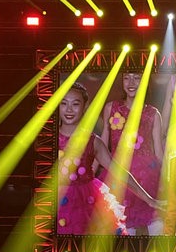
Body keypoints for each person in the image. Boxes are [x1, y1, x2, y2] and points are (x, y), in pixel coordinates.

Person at [58, 83, 158, 235]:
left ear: (85, 106)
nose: (69, 109)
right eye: (64, 103)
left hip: (88, 203)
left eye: (75, 104)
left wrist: (149, 199)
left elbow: (119, 172)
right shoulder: (49, 139)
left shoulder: (93, 141)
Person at [100, 71, 165, 235]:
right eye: (127, 78)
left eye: (137, 78)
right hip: (118, 175)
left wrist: (167, 183)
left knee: (154, 227)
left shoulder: (153, 113)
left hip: (147, 179)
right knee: (120, 228)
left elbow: (159, 153)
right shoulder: (111, 108)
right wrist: (89, 173)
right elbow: (101, 145)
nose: (131, 82)